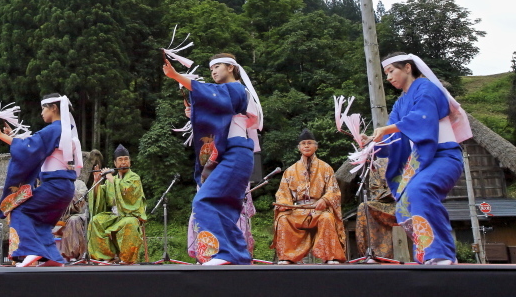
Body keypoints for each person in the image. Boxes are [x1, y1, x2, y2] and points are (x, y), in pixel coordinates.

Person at [362, 52, 471, 265]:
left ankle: (442, 254)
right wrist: (370, 145)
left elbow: (421, 118)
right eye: (386, 74)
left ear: (408, 68)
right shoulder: (400, 104)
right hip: (422, 160)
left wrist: (385, 129)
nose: (389, 78)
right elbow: (393, 138)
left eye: (391, 71)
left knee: (419, 190)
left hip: (443, 155)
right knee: (404, 206)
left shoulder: (427, 88)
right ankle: (428, 255)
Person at [163, 52, 262, 265]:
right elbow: (216, 109)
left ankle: (224, 253)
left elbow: (211, 94)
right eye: (211, 69)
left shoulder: (237, 89)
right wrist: (195, 114)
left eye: (218, 66)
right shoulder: (229, 93)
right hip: (234, 152)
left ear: (231, 68)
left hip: (235, 152)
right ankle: (237, 256)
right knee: (224, 207)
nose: (214, 71)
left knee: (204, 201)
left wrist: (176, 76)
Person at [0, 93, 83, 267]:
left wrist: (0, 136)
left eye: (43, 108)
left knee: (19, 209)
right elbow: (34, 144)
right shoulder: (66, 129)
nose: (41, 112)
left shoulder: (55, 128)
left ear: (54, 108)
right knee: (42, 221)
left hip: (55, 185)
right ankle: (52, 257)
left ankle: (32, 250)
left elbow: (30, 148)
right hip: (64, 188)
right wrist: (13, 137)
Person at [271, 129, 346, 265]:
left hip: (318, 210)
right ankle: (287, 257)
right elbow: (282, 193)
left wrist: (324, 200)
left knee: (327, 218)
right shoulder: (290, 171)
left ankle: (330, 256)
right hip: (297, 210)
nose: (306, 146)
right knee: (283, 219)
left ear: (316, 146)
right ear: (299, 148)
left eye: (310, 143)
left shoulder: (326, 168)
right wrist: (283, 203)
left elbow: (334, 190)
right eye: (303, 143)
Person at [87, 144, 147, 264]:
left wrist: (110, 178)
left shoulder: (134, 178)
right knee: (96, 220)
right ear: (115, 163)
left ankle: (127, 259)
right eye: (120, 160)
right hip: (114, 215)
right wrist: (97, 182)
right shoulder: (111, 181)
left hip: (130, 215)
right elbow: (101, 198)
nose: (123, 162)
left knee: (129, 223)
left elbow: (126, 190)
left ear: (130, 161)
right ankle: (106, 256)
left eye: (126, 159)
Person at [355, 157, 397, 261]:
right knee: (364, 207)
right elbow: (375, 191)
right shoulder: (377, 164)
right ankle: (372, 253)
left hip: (408, 202)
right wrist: (392, 193)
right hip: (387, 203)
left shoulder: (409, 158)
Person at [55, 179, 89, 262]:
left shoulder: (80, 183)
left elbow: (82, 199)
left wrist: (70, 189)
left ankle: (73, 254)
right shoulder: (54, 183)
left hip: (75, 214)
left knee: (74, 220)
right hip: (56, 214)